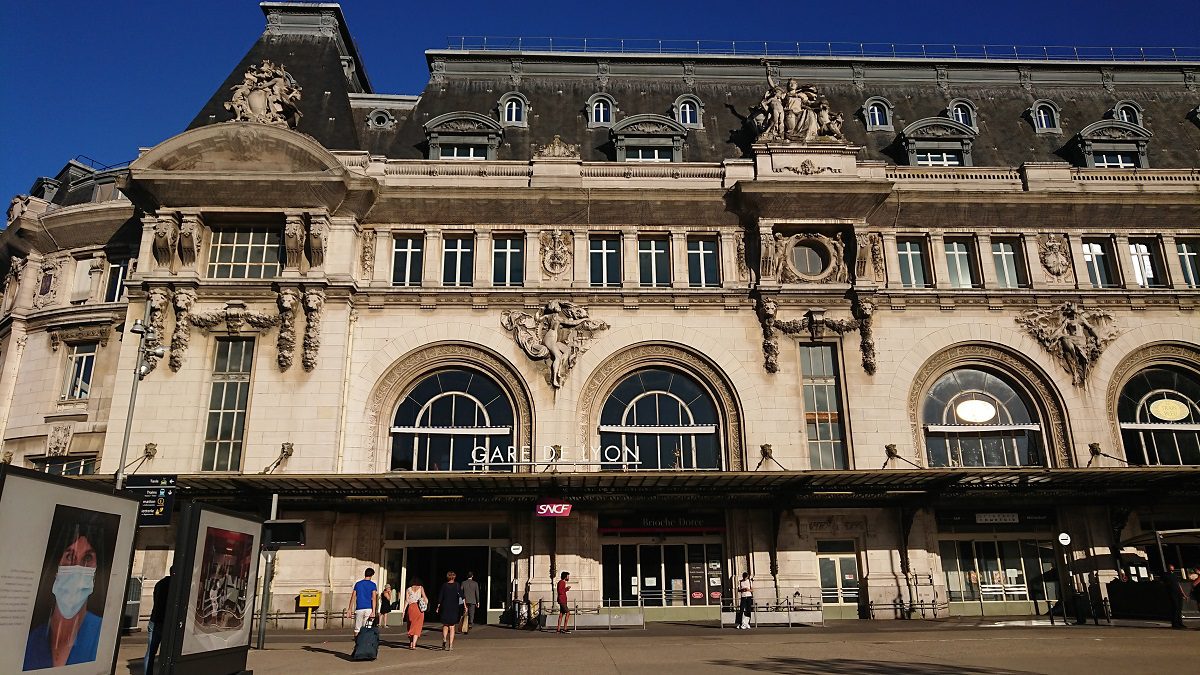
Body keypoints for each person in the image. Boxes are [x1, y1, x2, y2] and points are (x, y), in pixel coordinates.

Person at [24, 517, 111, 670]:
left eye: (88, 558)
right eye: (70, 557)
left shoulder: (103, 632)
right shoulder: (31, 639)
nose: (77, 567)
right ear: (55, 567)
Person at [143, 565, 174, 675]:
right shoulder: (174, 586)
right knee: (166, 653)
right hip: (166, 622)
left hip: (154, 620)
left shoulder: (160, 583)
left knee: (150, 653)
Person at [346, 568, 378, 638]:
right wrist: (373, 611)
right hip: (369, 608)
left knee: (357, 628)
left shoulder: (358, 584)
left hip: (359, 608)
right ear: (372, 575)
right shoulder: (373, 585)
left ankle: (357, 643)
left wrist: (349, 609)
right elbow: (374, 598)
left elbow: (353, 596)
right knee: (367, 628)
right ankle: (364, 645)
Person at [436, 571, 462, 651]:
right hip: (454, 607)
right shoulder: (457, 585)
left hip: (445, 606)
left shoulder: (444, 585)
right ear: (454, 577)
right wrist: (464, 606)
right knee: (452, 626)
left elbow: (440, 596)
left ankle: (444, 639)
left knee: (445, 625)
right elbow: (462, 596)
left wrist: (438, 606)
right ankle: (450, 645)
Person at [404, 577, 428, 650]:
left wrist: (404, 610)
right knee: (417, 626)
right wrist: (426, 603)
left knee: (410, 625)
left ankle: (411, 642)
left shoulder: (408, 589)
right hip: (418, 609)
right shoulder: (421, 588)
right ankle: (414, 644)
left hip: (411, 608)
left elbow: (407, 600)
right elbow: (425, 599)